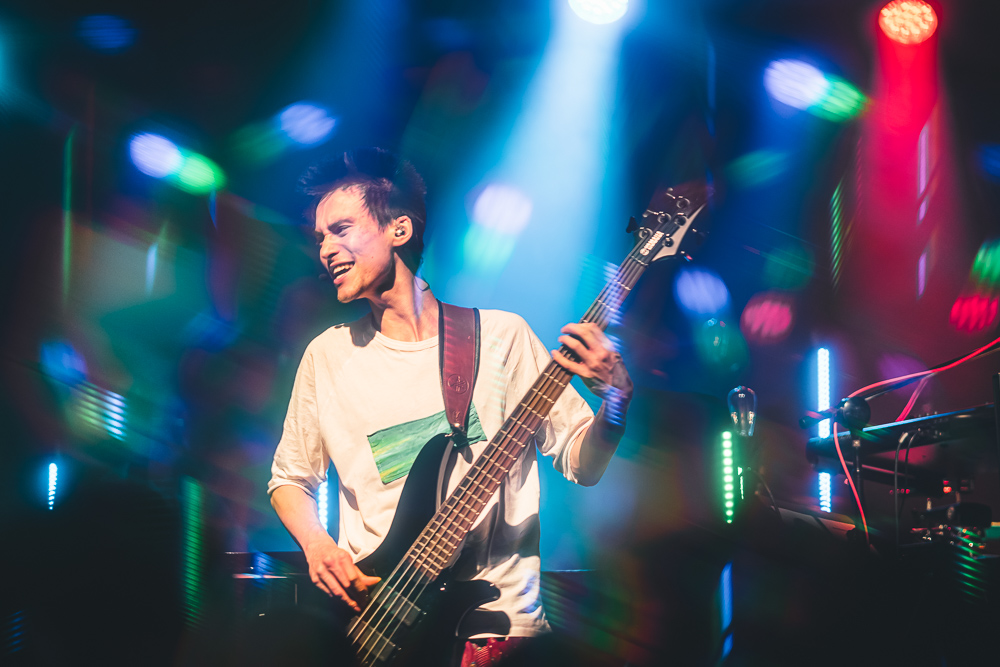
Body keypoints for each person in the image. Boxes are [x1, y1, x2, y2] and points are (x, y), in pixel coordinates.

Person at [268, 148, 632, 665]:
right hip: (377, 624)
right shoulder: (327, 355)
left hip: (499, 630)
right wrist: (318, 546)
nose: (326, 249)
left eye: (341, 229)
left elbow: (583, 464)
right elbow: (289, 478)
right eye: (320, 237)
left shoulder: (502, 337)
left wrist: (616, 401)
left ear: (399, 229)